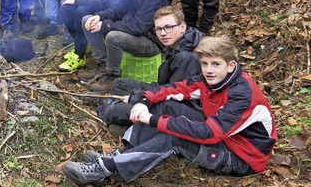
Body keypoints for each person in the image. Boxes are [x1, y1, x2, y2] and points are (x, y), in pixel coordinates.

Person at [62, 36, 277, 186]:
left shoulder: (242, 94)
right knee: (165, 105)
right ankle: (120, 156)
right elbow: (176, 89)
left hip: (242, 156)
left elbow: (208, 134)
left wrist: (153, 120)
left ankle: (104, 168)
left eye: (215, 64)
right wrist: (144, 100)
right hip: (223, 135)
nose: (209, 70)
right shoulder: (210, 79)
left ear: (231, 66)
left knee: (174, 138)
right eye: (204, 64)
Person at [96, 5, 203, 132]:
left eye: (168, 27)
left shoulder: (187, 57)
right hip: (162, 92)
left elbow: (173, 98)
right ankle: (115, 109)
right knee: (120, 84)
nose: (163, 33)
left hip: (177, 108)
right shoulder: (175, 45)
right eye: (158, 29)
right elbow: (163, 86)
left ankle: (113, 111)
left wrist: (137, 98)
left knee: (115, 112)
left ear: (182, 27)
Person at [82, 0, 168, 91]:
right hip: (132, 31)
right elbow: (118, 8)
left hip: (150, 41)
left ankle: (112, 77)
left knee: (113, 36)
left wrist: (106, 26)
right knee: (87, 19)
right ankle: (102, 63)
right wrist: (99, 17)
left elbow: (139, 26)